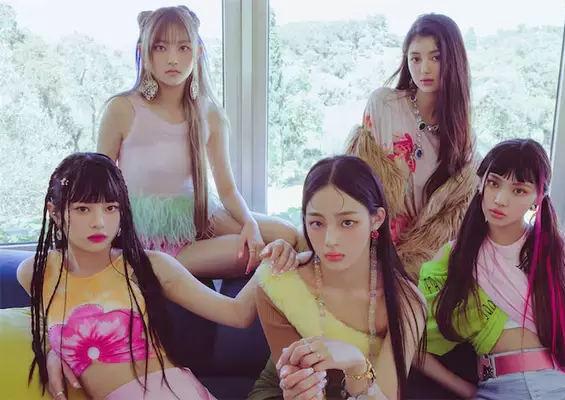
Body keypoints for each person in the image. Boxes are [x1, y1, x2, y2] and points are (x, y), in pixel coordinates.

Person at [15, 153, 292, 399]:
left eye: (110, 208)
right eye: (83, 209)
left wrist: (273, 260)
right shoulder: (35, 273)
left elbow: (238, 314)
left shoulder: (148, 265)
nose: (99, 222)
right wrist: (51, 352)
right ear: (54, 213)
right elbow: (49, 322)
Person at [97, 5, 301, 277]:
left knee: (287, 234)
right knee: (247, 251)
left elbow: (227, 190)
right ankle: (156, 268)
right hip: (147, 236)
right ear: (143, 53)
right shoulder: (123, 108)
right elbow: (99, 184)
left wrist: (250, 223)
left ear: (198, 52)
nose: (173, 59)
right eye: (160, 48)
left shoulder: (209, 113)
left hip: (197, 217)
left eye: (183, 48)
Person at [418, 139, 565, 399]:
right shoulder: (453, 258)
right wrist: (467, 391)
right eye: (494, 183)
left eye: (519, 190)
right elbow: (412, 343)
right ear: (480, 184)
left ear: (538, 198)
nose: (500, 199)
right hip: (507, 386)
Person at [248, 155, 426, 399]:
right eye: (317, 223)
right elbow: (297, 386)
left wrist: (355, 364)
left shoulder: (405, 301)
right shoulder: (281, 283)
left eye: (347, 222)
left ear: (376, 219)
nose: (330, 240)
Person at [345, 13, 478, 279]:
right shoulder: (384, 105)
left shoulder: (463, 139)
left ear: (454, 60)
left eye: (436, 57)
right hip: (370, 239)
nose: (424, 69)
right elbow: (358, 178)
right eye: (415, 58)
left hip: (420, 259)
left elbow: (453, 217)